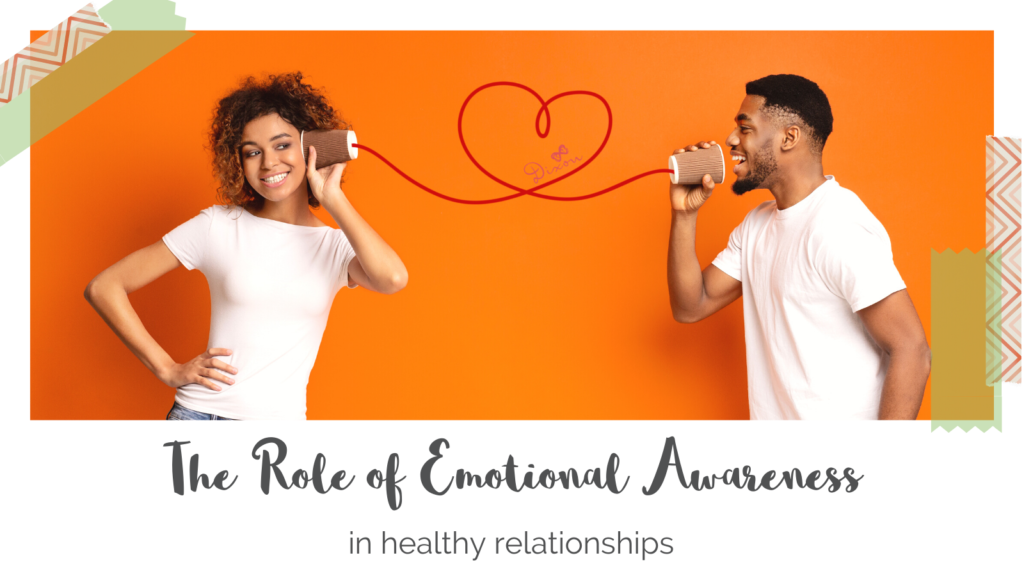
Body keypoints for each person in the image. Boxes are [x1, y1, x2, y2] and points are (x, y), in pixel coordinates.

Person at [84, 72, 408, 420]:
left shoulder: (334, 246)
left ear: (309, 148)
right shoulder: (218, 226)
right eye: (253, 152)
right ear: (238, 161)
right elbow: (104, 287)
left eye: (282, 145)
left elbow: (392, 279)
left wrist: (333, 197)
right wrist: (167, 368)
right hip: (199, 419)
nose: (268, 163)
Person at [667, 74, 930, 420]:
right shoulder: (756, 226)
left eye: (745, 129)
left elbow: (912, 350)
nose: (731, 140)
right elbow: (691, 306)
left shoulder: (838, 226)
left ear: (789, 137)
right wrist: (684, 215)